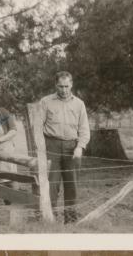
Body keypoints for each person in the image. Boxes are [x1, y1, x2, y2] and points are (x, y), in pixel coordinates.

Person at [40, 71, 90, 223]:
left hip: (71, 147)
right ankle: (50, 220)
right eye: (60, 86)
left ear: (72, 84)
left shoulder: (79, 104)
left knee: (71, 185)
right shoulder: (46, 102)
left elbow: (84, 129)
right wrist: (42, 148)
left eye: (66, 86)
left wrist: (80, 147)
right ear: (56, 85)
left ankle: (70, 220)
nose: (63, 89)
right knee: (51, 185)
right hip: (51, 146)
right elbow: (37, 127)